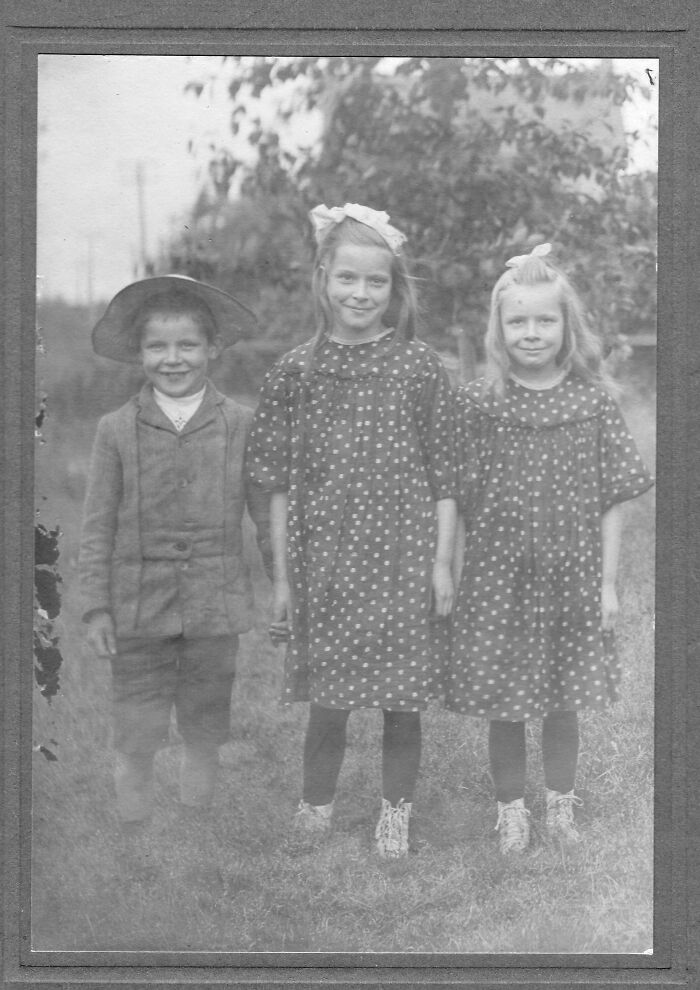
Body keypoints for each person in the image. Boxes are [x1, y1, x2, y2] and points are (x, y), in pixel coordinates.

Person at [245, 203, 457, 858]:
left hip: (403, 559)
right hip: (327, 563)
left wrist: (441, 564)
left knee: (402, 698)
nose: (360, 293)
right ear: (322, 278)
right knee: (328, 700)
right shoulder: (296, 371)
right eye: (347, 278)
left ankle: (396, 812)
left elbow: (447, 476)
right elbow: (274, 484)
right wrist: (283, 580)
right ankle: (315, 805)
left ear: (394, 289)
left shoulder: (418, 366)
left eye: (376, 281)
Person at [445, 244, 654, 854]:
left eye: (544, 319)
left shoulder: (592, 402)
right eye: (518, 321)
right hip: (498, 579)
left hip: (572, 577)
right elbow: (453, 493)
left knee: (565, 699)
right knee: (505, 703)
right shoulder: (479, 403)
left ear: (567, 326)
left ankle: (561, 806)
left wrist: (607, 584)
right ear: (498, 329)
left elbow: (612, 500)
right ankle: (511, 810)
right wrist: (447, 569)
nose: (531, 332)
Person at [79, 274, 271, 829]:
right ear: (139, 352)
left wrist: (285, 586)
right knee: (136, 726)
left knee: (205, 722)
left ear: (212, 348)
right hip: (139, 608)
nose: (172, 359)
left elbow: (266, 517)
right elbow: (96, 525)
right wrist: (96, 607)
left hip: (216, 606)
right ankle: (134, 824)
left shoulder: (241, 424)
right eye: (157, 346)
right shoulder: (116, 429)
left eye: (187, 345)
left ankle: (195, 820)